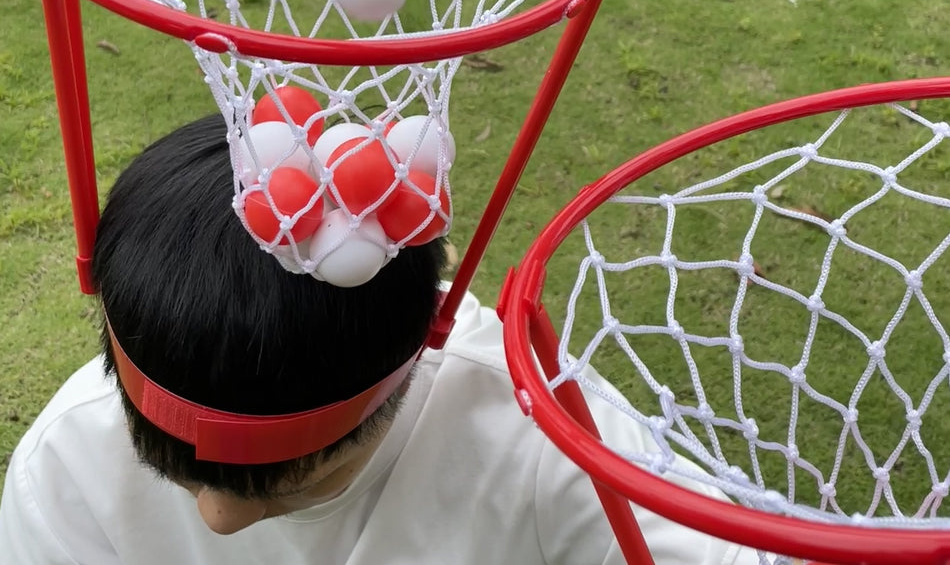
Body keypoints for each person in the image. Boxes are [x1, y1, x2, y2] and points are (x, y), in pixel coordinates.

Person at [0, 114, 755, 564]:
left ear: (421, 349)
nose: (219, 521)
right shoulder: (65, 473)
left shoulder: (533, 436)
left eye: (303, 475)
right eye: (172, 471)